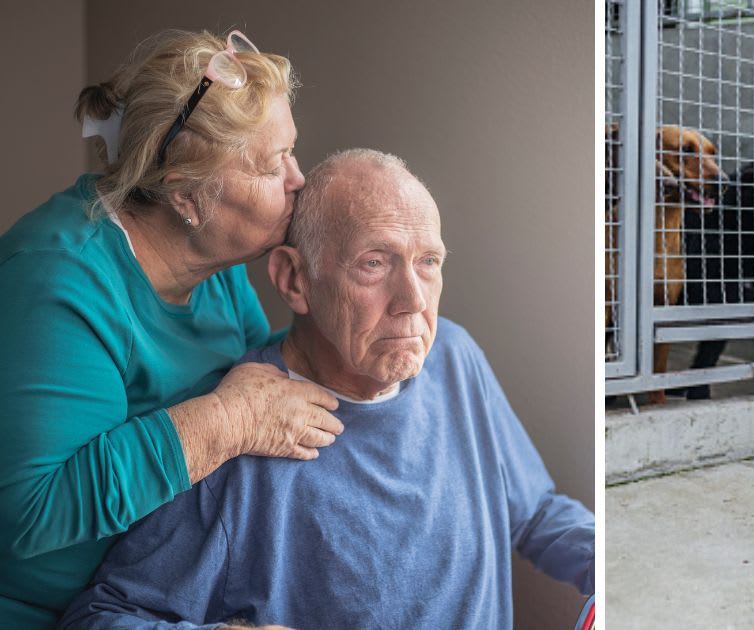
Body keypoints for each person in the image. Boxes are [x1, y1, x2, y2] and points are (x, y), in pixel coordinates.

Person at [58, 149, 596, 629]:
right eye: (374, 263)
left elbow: (535, 510)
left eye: (428, 262)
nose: (413, 300)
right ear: (295, 280)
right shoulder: (241, 428)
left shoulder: (453, 356)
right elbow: (99, 617)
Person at [0, 30, 346, 627]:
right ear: (186, 194)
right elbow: (33, 514)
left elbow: (264, 390)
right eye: (273, 165)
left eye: (293, 152)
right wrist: (227, 421)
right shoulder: (56, 281)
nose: (300, 181)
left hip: (167, 587)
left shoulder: (215, 266)